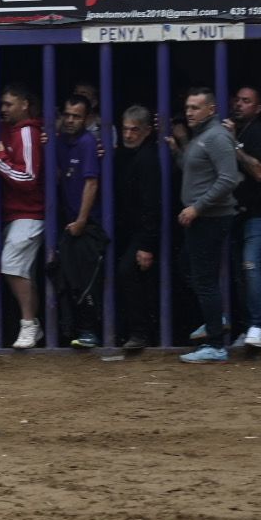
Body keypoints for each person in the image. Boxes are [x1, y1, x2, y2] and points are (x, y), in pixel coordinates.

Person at [177, 88, 241, 363]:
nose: (189, 112)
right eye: (188, 107)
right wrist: (177, 147)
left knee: (204, 280)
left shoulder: (216, 137)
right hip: (203, 218)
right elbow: (196, 170)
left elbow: (228, 179)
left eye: (195, 107)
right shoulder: (201, 137)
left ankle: (216, 344)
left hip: (211, 218)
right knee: (187, 268)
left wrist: (196, 207)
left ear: (211, 110)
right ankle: (216, 319)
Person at [0, 84, 45, 349]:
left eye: (9, 104)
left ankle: (29, 325)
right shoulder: (8, 130)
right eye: (2, 104)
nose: (3, 109)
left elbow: (29, 177)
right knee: (20, 270)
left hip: (30, 213)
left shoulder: (27, 133)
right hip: (14, 214)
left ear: (25, 104)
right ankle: (34, 325)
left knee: (11, 264)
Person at [52, 94, 106, 348]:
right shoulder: (60, 141)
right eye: (68, 115)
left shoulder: (86, 142)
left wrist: (82, 220)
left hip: (86, 223)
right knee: (67, 276)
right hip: (67, 221)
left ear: (87, 119)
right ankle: (71, 330)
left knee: (85, 278)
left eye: (77, 116)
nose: (71, 120)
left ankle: (90, 332)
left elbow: (91, 182)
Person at [223, 87, 261, 348]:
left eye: (246, 101)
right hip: (236, 214)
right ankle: (245, 328)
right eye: (237, 99)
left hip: (258, 214)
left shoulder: (259, 131)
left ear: (258, 108)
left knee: (250, 265)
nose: (239, 104)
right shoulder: (236, 131)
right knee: (239, 273)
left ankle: (258, 326)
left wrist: (234, 145)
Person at [108, 104, 160, 352]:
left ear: (147, 131)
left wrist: (146, 244)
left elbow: (152, 204)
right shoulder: (121, 154)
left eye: (134, 130)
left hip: (141, 233)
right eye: (125, 129)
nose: (129, 135)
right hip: (125, 230)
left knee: (127, 272)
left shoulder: (148, 158)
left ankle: (140, 334)